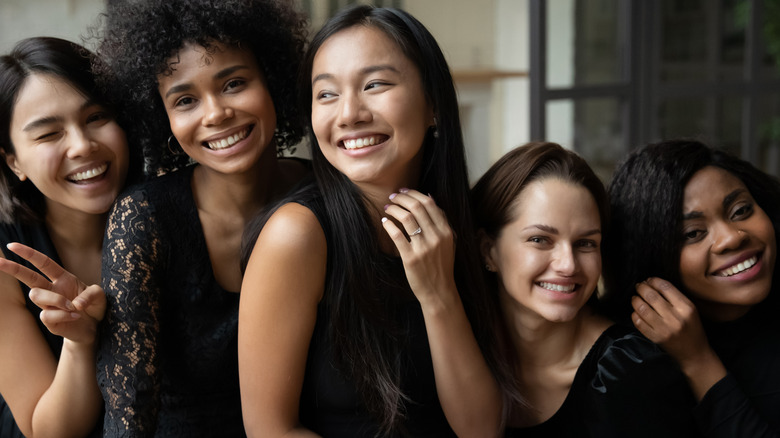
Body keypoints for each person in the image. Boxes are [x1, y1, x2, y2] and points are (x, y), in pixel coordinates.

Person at [238, 5, 511, 437]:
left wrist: (439, 294)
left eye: (375, 84)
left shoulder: (456, 223)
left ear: (433, 105)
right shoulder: (297, 236)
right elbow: (270, 431)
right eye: (326, 93)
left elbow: (480, 429)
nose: (349, 113)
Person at [92, 0, 308, 435]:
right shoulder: (144, 219)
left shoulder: (325, 194)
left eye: (234, 83)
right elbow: (130, 410)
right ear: (162, 117)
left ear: (274, 81)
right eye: (186, 99)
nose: (215, 114)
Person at [471, 142, 698, 437]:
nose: (568, 265)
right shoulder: (464, 354)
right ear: (489, 251)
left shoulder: (629, 370)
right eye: (540, 239)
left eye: (586, 243)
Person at [0, 36, 135, 438]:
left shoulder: (168, 213)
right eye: (47, 134)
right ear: (14, 162)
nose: (82, 146)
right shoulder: (6, 261)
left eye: (96, 117)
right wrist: (78, 342)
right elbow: (49, 431)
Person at [604, 138, 780, 437]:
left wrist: (698, 360)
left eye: (740, 210)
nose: (731, 238)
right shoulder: (622, 361)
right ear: (652, 257)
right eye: (694, 233)